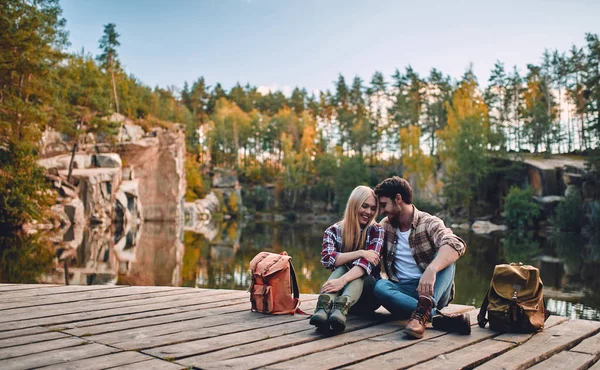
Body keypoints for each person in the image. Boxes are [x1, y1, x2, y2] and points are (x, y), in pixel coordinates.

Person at [373, 176, 470, 339]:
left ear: (398, 199)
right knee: (380, 286)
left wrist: (431, 270)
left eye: (384, 205)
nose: (382, 211)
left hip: (433, 290)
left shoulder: (429, 222)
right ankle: (434, 317)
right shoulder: (385, 226)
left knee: (447, 258)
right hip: (402, 292)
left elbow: (456, 243)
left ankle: (424, 310)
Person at [310, 185, 384, 332]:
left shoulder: (377, 230)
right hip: (340, 292)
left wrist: (342, 280)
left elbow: (365, 266)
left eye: (373, 208)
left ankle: (339, 309)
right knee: (343, 267)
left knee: (358, 272)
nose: (368, 212)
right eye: (364, 206)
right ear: (354, 204)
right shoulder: (333, 231)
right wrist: (360, 253)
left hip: (368, 297)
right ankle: (325, 307)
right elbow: (327, 259)